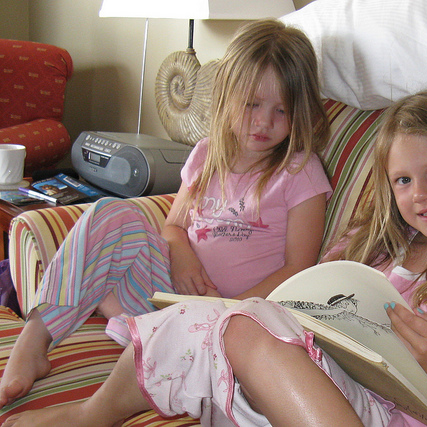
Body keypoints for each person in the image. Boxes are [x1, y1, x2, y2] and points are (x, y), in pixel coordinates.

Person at [1, 88, 427, 427]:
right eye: (403, 180)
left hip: (387, 414)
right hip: (314, 388)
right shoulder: (375, 251)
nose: (421, 194)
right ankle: (90, 414)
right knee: (197, 324)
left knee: (240, 325)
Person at [0, 18, 333, 411]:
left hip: (236, 317)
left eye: (281, 110)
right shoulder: (207, 154)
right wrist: (183, 254)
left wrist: (229, 311)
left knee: (159, 308)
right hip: (173, 291)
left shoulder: (300, 171)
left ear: (301, 111)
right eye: (251, 104)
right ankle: (37, 337)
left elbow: (298, 269)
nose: (263, 121)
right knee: (111, 213)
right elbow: (173, 226)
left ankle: (141, 332)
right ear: (225, 97)